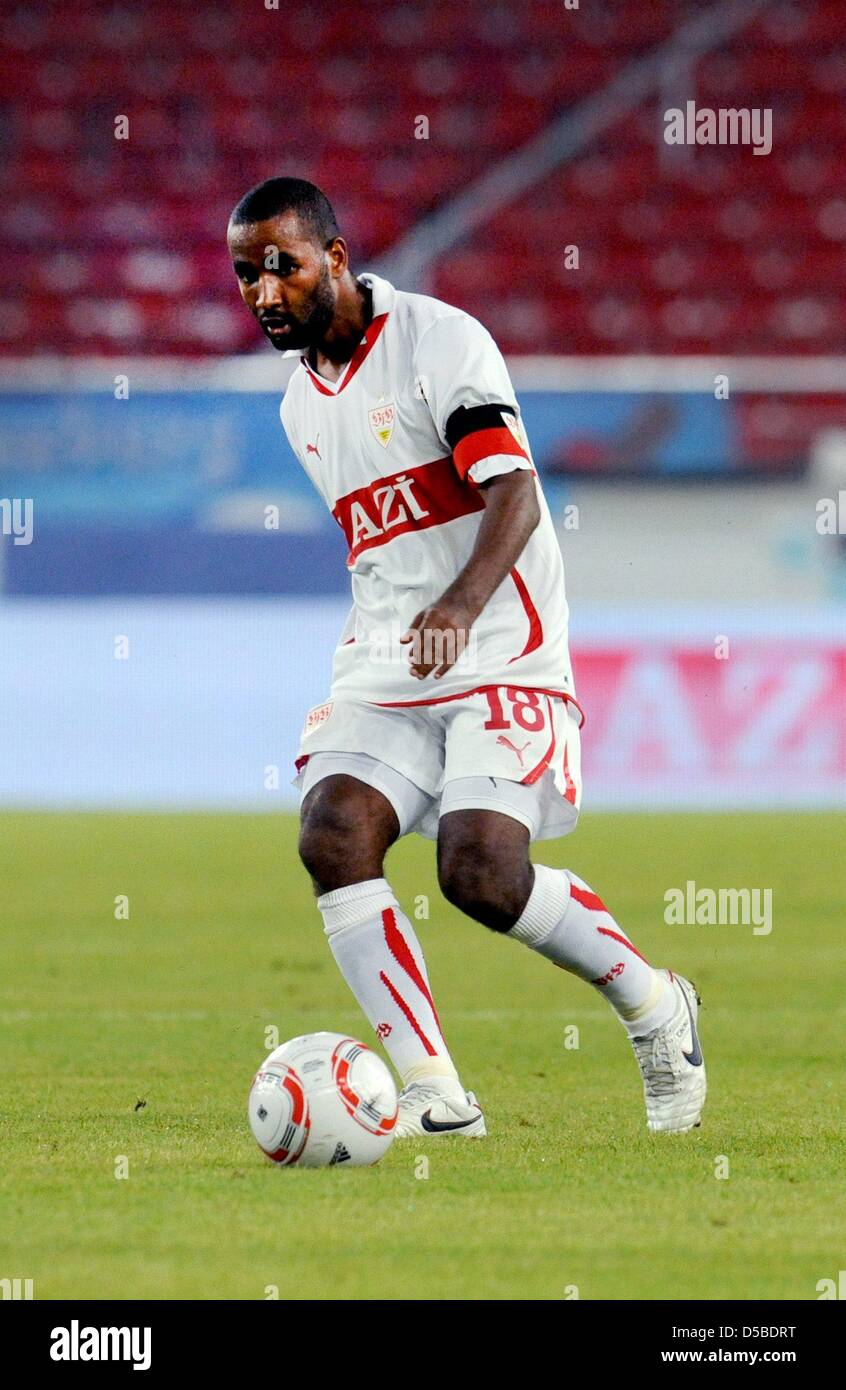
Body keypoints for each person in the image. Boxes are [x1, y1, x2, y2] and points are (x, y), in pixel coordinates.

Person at [227, 177, 706, 1138]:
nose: (265, 290)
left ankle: (657, 1007)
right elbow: (381, 542)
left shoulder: (440, 342)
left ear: (337, 252)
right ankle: (435, 1091)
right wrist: (402, 630)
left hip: (502, 643)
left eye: (283, 264)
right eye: (246, 273)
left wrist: (459, 603)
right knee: (332, 833)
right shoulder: (296, 406)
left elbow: (516, 496)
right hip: (389, 660)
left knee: (479, 872)